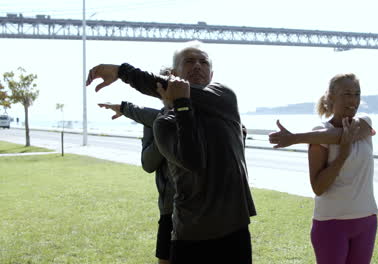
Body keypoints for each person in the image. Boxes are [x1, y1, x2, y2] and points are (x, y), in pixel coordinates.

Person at [86, 41, 256, 264]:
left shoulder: (224, 96)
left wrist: (121, 71)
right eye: (189, 61)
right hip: (191, 235)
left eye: (203, 61)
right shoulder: (163, 124)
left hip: (235, 230)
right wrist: (181, 105)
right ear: (174, 74)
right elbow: (194, 161)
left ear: (212, 73)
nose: (197, 65)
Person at [270, 73, 378, 264]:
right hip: (331, 224)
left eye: (357, 94)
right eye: (346, 94)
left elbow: (340, 134)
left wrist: (295, 138)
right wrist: (342, 156)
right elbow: (318, 188)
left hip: (366, 220)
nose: (353, 100)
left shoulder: (365, 123)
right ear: (331, 98)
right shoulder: (317, 134)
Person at [98, 72, 174, 263]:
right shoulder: (153, 121)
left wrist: (128, 109)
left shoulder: (206, 115)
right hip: (170, 210)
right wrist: (162, 131)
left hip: (204, 212)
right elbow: (148, 164)